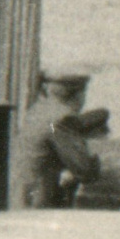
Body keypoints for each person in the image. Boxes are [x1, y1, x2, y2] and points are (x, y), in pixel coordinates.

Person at [10, 71, 105, 208]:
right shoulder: (62, 119)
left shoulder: (38, 110)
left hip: (20, 198)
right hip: (41, 206)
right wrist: (95, 158)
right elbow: (85, 170)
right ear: (78, 95)